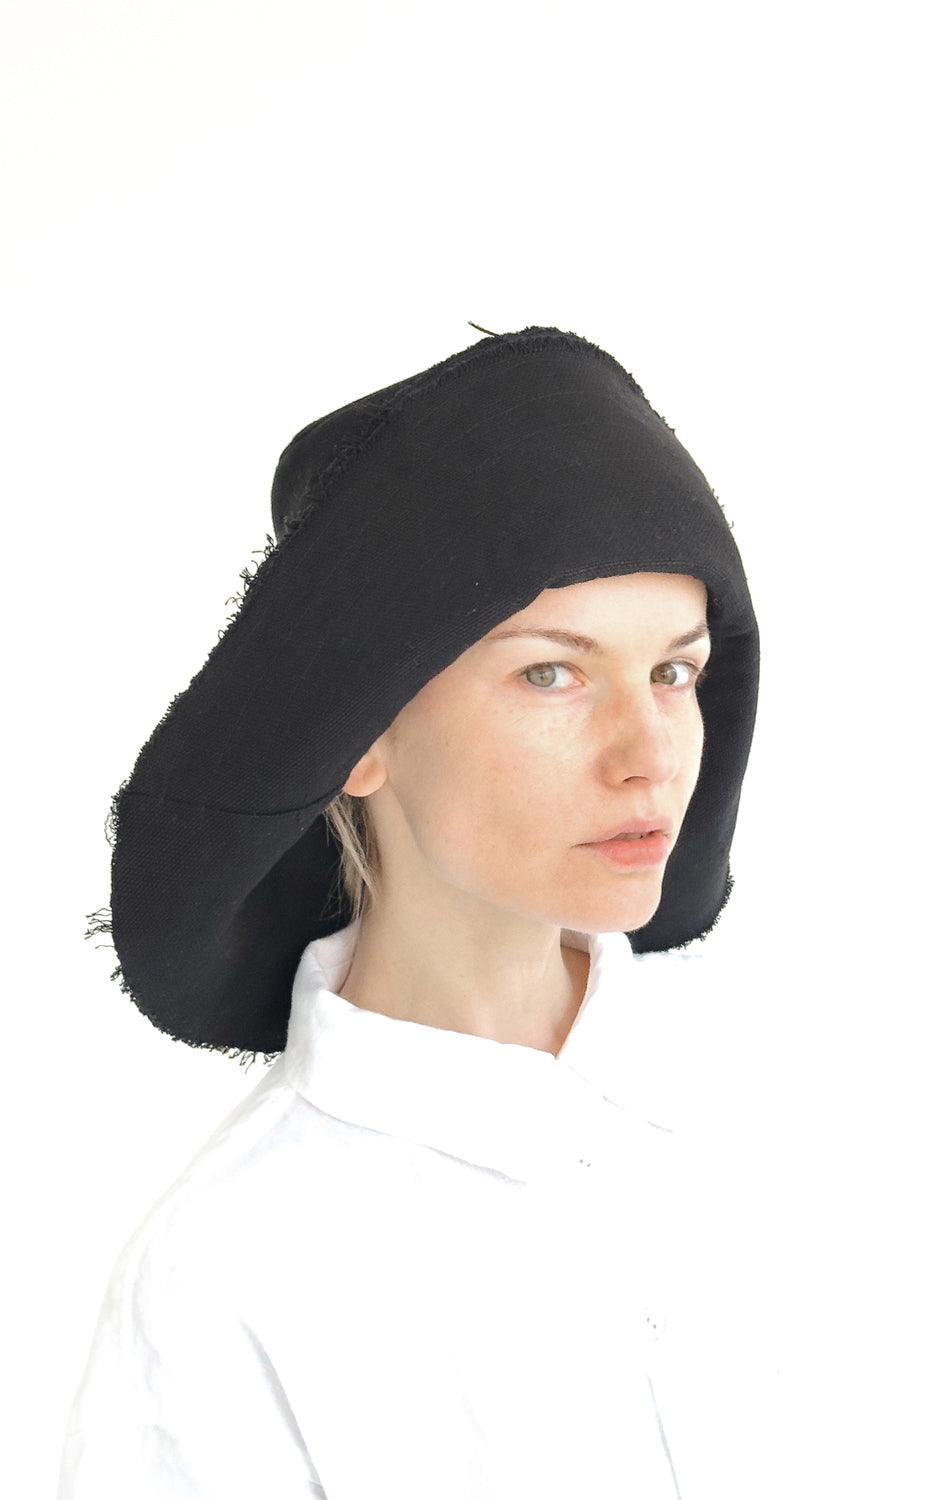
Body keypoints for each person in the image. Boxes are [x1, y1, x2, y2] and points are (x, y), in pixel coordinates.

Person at [59, 325, 763, 1499]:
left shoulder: (777, 1110)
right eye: (551, 673)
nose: (648, 755)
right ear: (362, 730)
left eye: (672, 672)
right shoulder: (228, 1278)